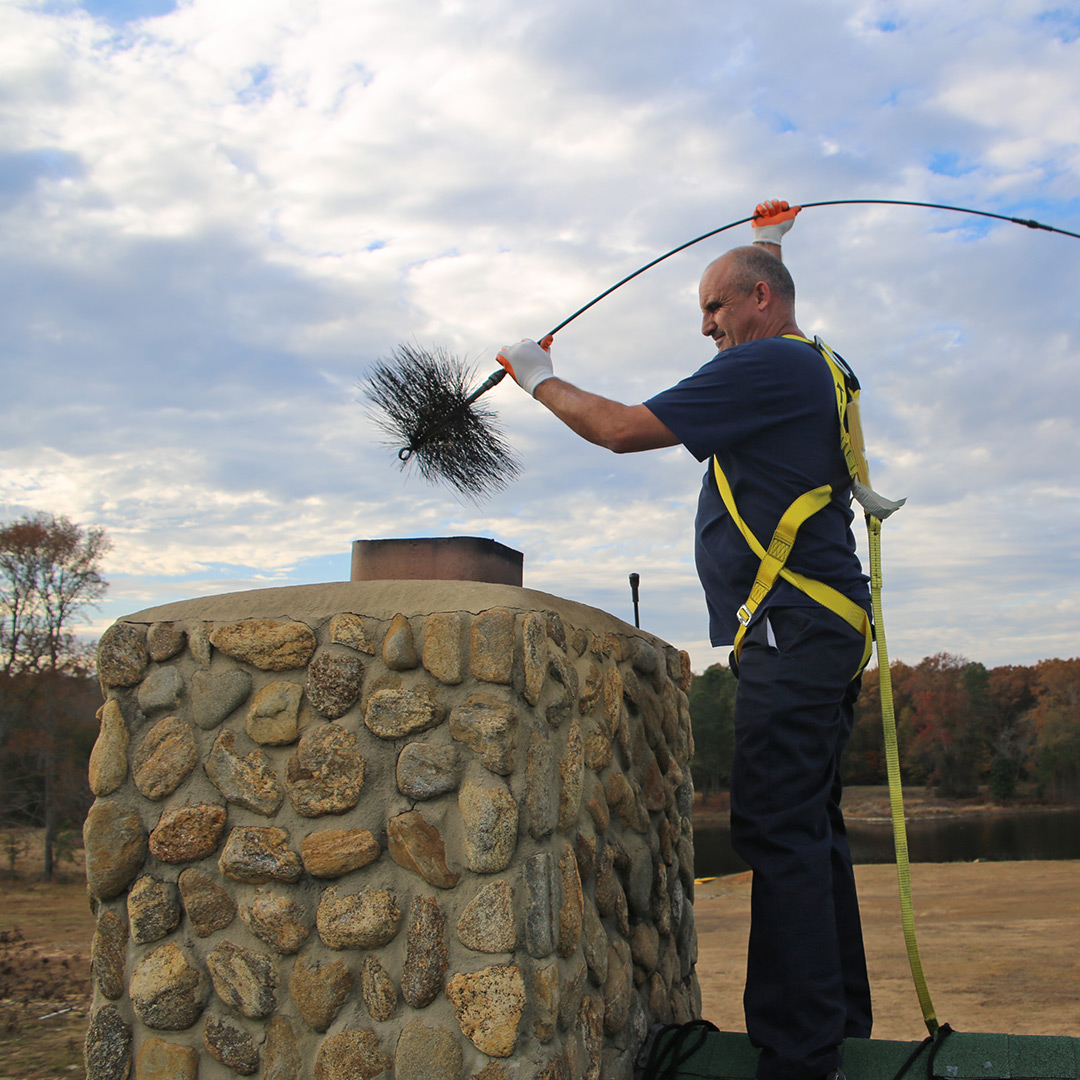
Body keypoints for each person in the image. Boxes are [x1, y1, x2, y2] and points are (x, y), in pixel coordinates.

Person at [495, 201, 873, 1080]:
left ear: (759, 301)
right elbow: (777, 303)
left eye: (715, 308)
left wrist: (539, 375)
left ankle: (798, 1055)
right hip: (818, 628)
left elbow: (623, 429)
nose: (707, 328)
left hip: (792, 630)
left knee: (777, 831)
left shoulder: (770, 367)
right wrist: (770, 243)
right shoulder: (817, 365)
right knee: (810, 826)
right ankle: (836, 1022)